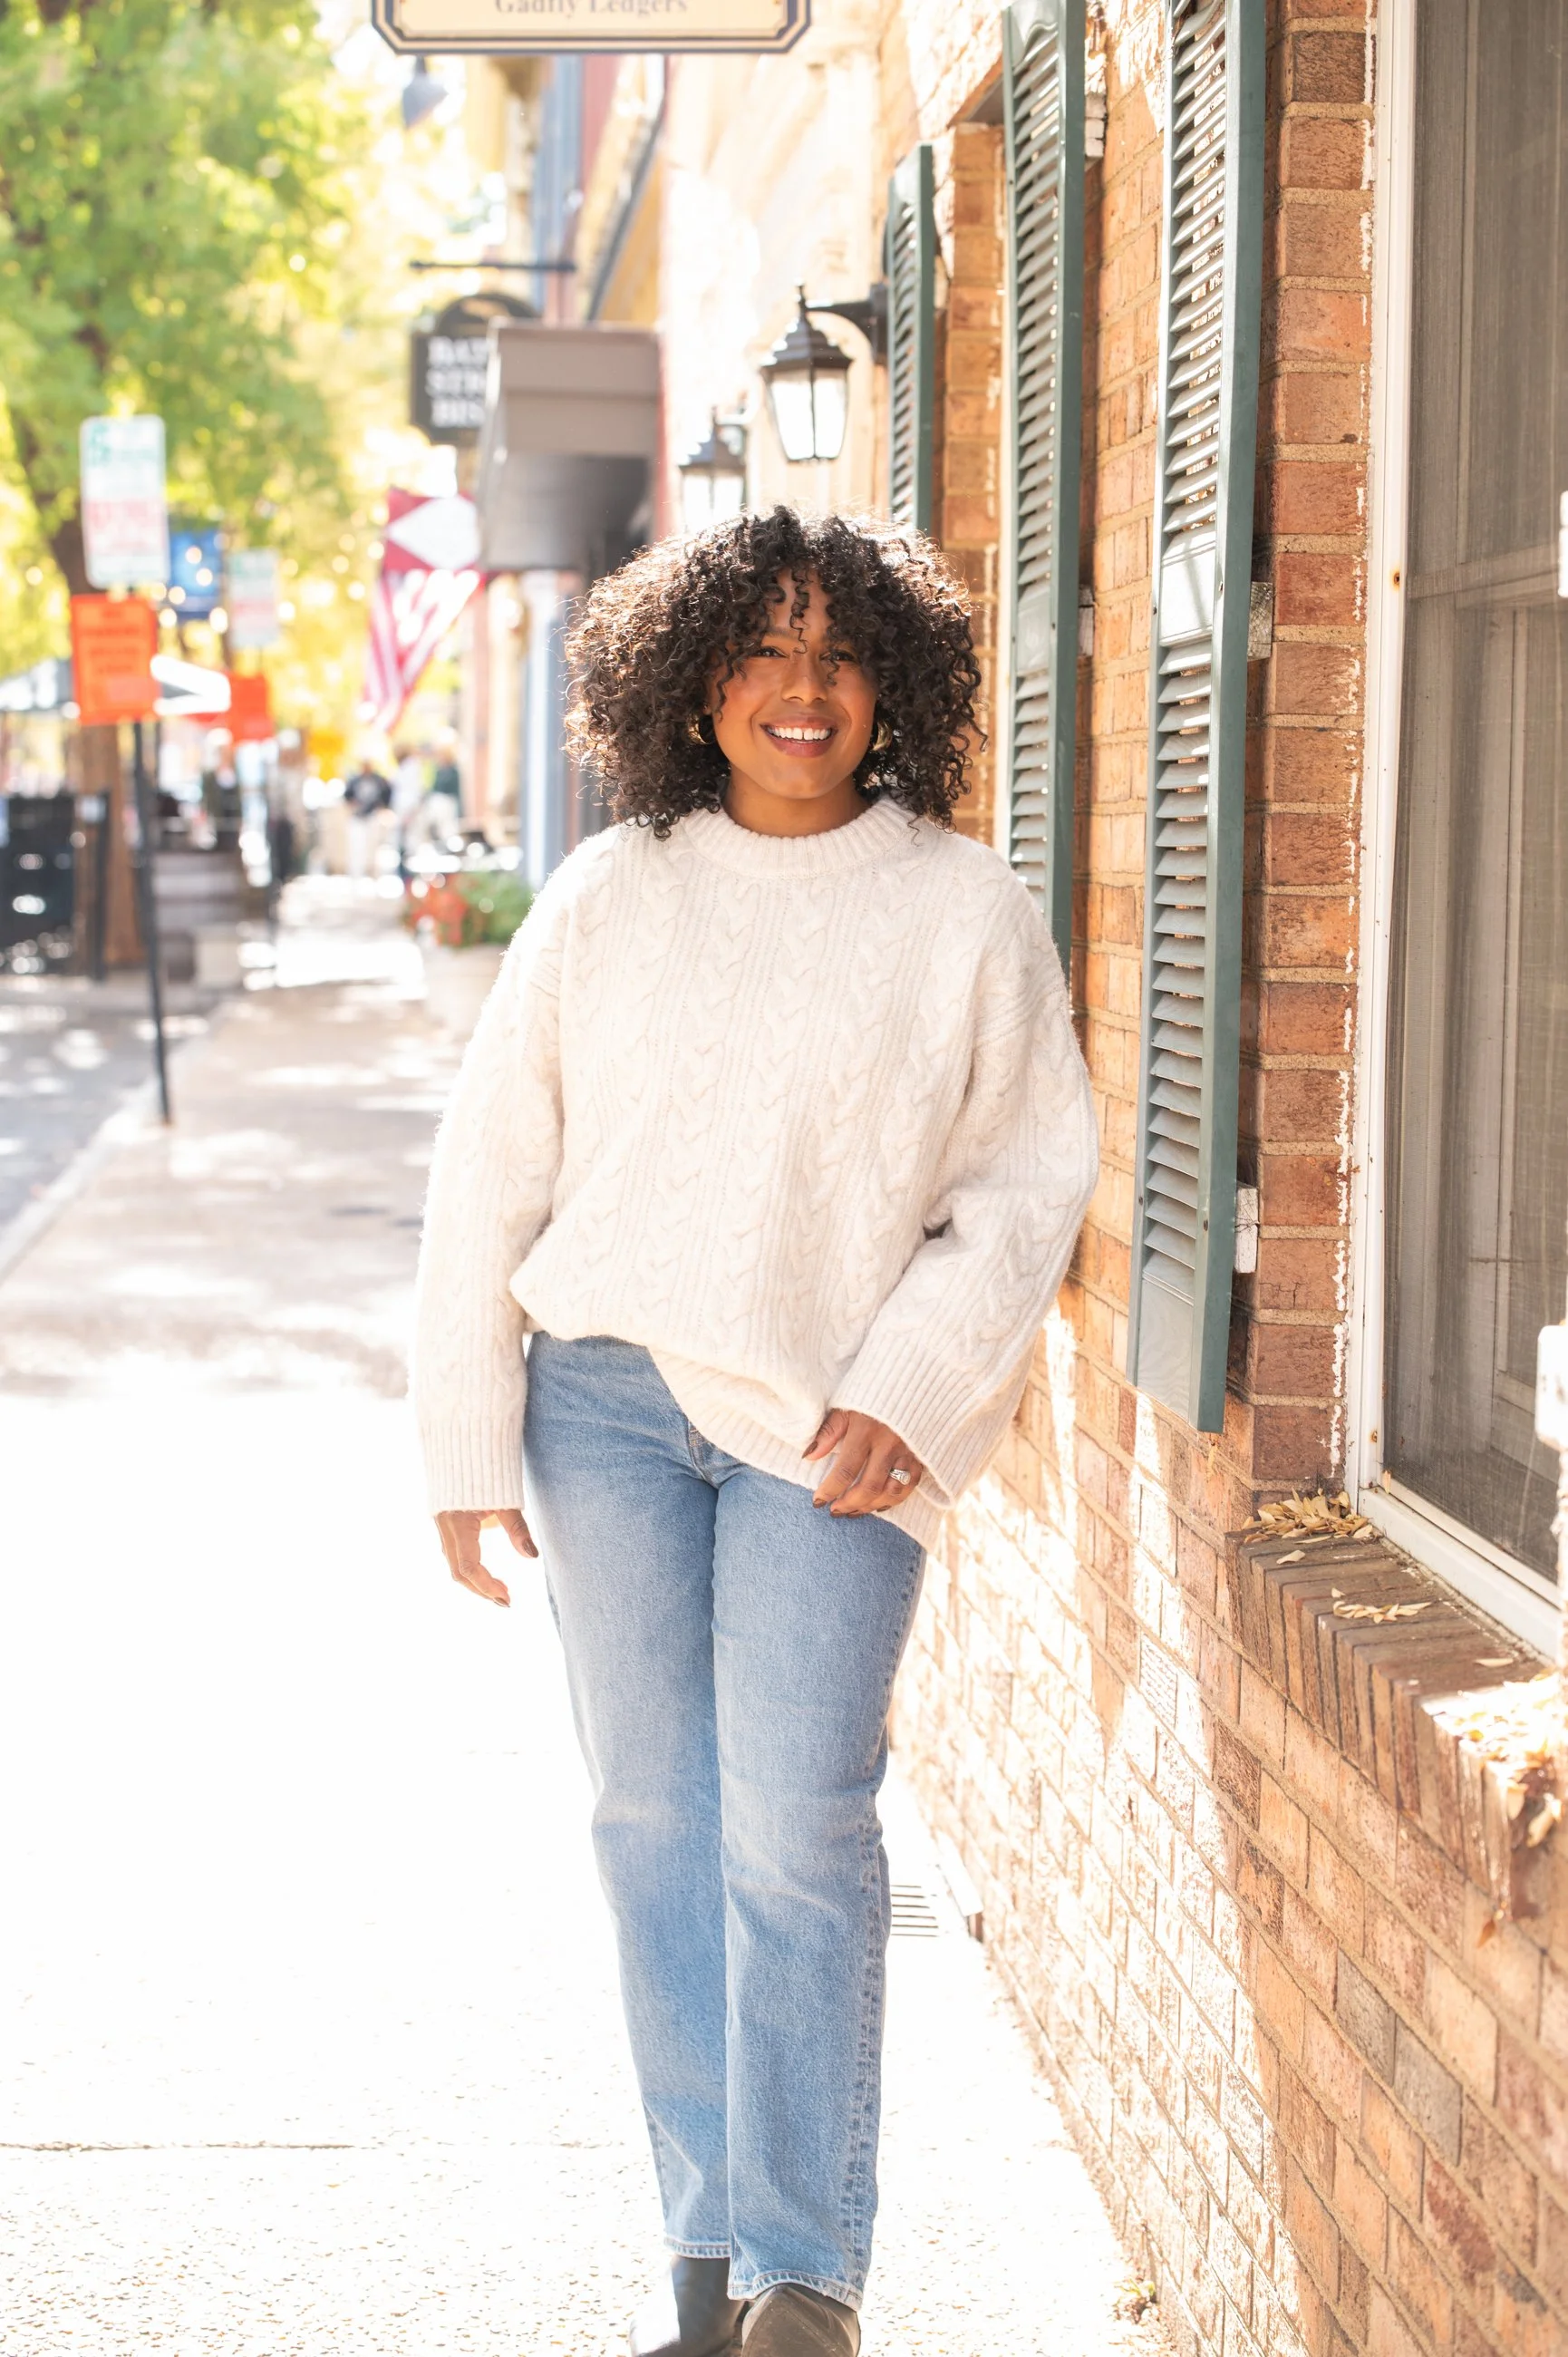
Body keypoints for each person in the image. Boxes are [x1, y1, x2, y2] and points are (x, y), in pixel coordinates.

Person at [411, 509, 1098, 2357]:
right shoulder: (611, 894)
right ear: (690, 680)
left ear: (892, 687)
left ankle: (809, 2277)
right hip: (609, 1404)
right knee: (652, 1821)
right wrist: (468, 1439)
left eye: (836, 653)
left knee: (794, 1826)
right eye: (761, 650)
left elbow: (1026, 1181)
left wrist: (916, 1377)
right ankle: (709, 2268)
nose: (800, 689)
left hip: (835, 1430)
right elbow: (492, 1173)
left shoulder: (957, 905)